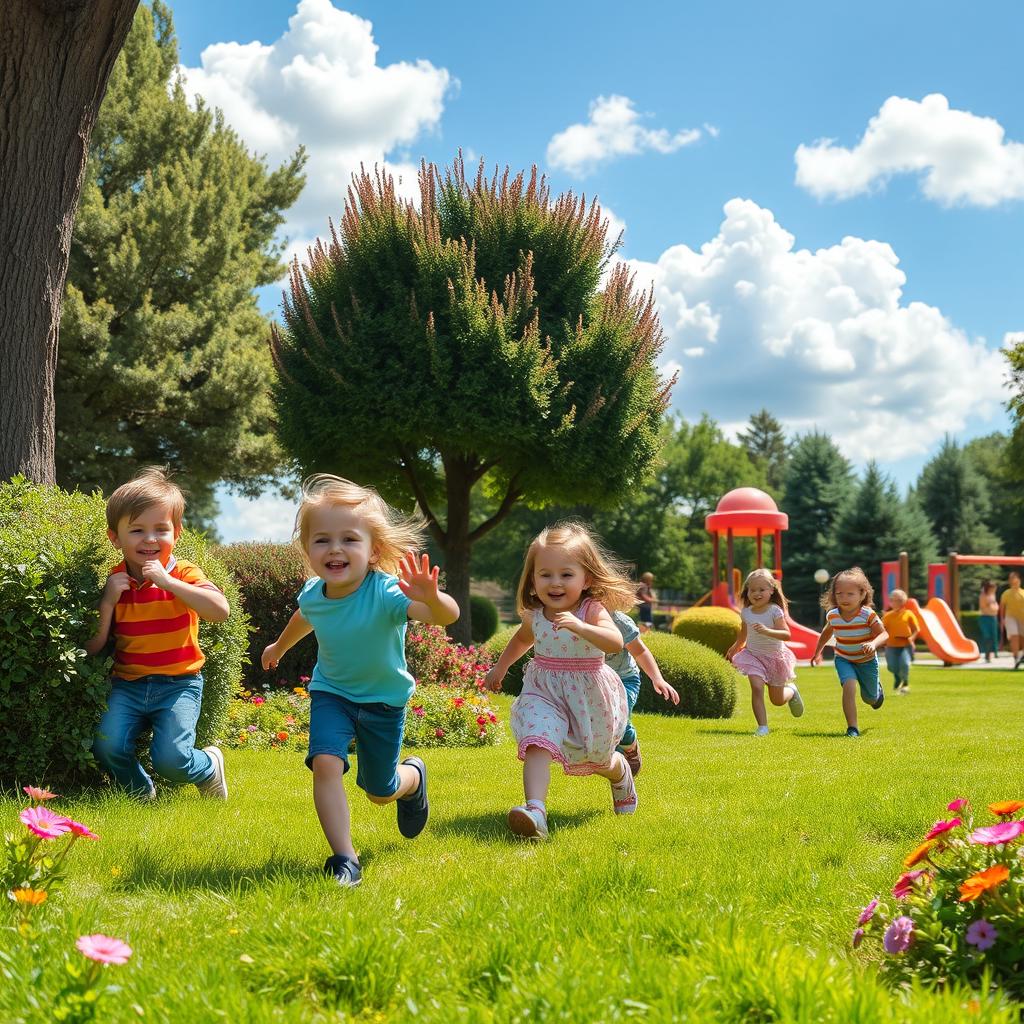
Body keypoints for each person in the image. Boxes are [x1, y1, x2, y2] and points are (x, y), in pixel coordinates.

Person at [261, 475, 458, 887]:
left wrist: (432, 596)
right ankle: (344, 859)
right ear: (308, 550)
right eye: (322, 540)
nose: (335, 549)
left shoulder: (386, 593)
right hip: (331, 693)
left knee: (380, 791)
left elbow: (446, 616)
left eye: (349, 539)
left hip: (383, 702)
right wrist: (278, 646)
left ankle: (413, 779)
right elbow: (305, 617)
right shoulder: (315, 593)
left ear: (374, 551)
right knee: (326, 764)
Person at [484, 521, 636, 840]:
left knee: (595, 757)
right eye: (545, 574)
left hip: (589, 693)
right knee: (538, 738)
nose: (555, 583)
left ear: (586, 579)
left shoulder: (591, 609)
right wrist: (499, 668)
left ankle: (620, 772)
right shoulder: (536, 614)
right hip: (544, 691)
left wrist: (580, 627)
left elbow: (613, 642)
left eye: (566, 575)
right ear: (533, 578)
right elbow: (520, 641)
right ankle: (535, 811)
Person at [86, 468, 230, 801]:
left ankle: (208, 766)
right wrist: (108, 600)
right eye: (137, 530)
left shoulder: (183, 573)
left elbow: (219, 611)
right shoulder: (115, 580)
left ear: (176, 533)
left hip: (179, 684)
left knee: (172, 760)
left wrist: (169, 584)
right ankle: (139, 791)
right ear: (115, 537)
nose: (150, 539)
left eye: (160, 530)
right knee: (108, 745)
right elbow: (94, 646)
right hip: (129, 685)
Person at [811, 568, 888, 738]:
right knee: (849, 686)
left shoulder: (868, 615)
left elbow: (884, 634)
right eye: (839, 594)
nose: (844, 598)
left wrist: (873, 644)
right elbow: (826, 633)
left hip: (866, 661)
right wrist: (817, 652)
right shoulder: (833, 615)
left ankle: (876, 692)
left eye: (850, 594)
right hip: (844, 658)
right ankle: (852, 728)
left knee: (870, 699)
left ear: (862, 594)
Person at [726, 568, 804, 736]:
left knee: (777, 700)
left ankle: (791, 691)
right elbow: (744, 632)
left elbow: (786, 634)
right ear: (747, 592)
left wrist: (767, 631)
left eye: (761, 590)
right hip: (753, 655)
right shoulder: (746, 612)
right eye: (752, 590)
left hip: (775, 658)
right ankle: (762, 727)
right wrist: (736, 646)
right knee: (757, 686)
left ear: (771, 591)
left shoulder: (775, 611)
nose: (756, 593)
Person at [608, 609, 680, 773]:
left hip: (624, 679)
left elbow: (640, 651)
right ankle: (616, 751)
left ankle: (629, 745)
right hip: (595, 681)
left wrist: (658, 679)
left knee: (620, 716)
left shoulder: (619, 622)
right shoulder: (576, 618)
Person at [881, 589, 920, 693]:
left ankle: (905, 684)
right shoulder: (887, 616)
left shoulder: (909, 614)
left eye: (899, 600)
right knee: (892, 667)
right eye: (893, 600)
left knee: (905, 664)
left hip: (905, 645)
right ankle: (897, 678)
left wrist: (912, 638)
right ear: (890, 601)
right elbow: (882, 630)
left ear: (903, 601)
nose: (896, 602)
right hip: (891, 646)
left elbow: (917, 629)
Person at [999, 570, 1024, 669]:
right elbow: (1002, 607)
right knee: (1014, 636)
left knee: (1022, 639)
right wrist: (1002, 619)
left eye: (1014, 578)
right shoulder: (1006, 593)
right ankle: (1016, 658)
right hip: (1010, 617)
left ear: (1019, 580)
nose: (1013, 580)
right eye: (1011, 578)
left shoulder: (1023, 593)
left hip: (1022, 618)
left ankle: (1020, 655)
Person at [978, 580, 1000, 663]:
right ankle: (987, 654)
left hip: (993, 617)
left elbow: (993, 605)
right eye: (993, 588)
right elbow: (983, 606)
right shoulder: (983, 595)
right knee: (987, 636)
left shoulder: (992, 595)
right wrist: (991, 605)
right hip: (985, 617)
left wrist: (993, 606)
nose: (994, 589)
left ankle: (993, 653)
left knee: (994, 636)